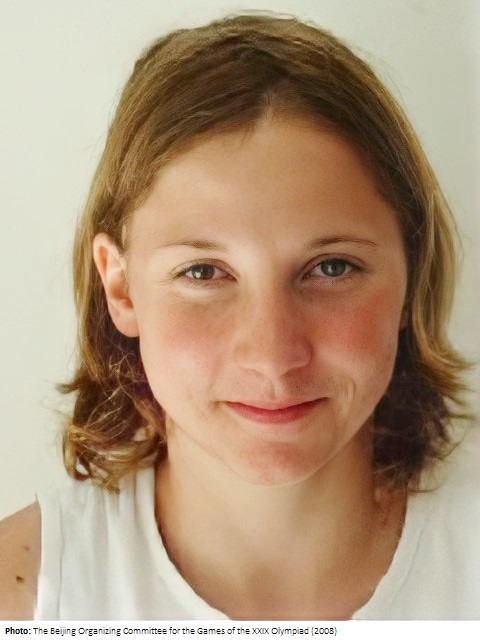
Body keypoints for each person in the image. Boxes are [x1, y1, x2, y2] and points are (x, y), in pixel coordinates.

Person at [0, 13, 478, 621]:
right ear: (120, 288)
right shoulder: (22, 600)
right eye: (204, 272)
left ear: (411, 274)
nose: (273, 357)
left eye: (331, 268)